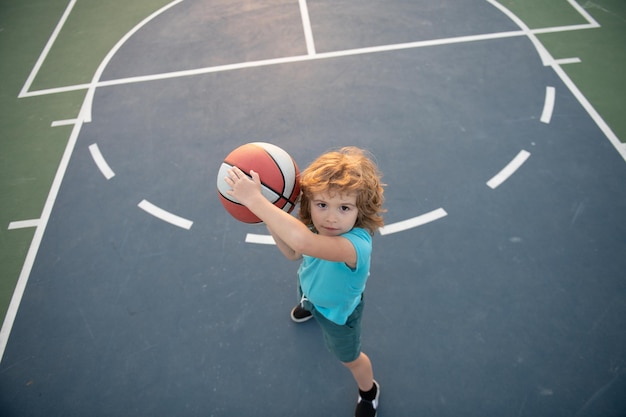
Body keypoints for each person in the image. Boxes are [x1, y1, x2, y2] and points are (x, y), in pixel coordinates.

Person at [225, 146, 385, 417]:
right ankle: (308, 308)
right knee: (307, 296)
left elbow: (302, 242)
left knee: (351, 359)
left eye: (344, 207)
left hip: (338, 315)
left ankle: (369, 392)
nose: (331, 217)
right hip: (310, 290)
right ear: (310, 202)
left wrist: (256, 202)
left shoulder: (356, 245)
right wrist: (269, 216)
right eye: (322, 204)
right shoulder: (314, 227)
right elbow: (292, 252)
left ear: (361, 210)